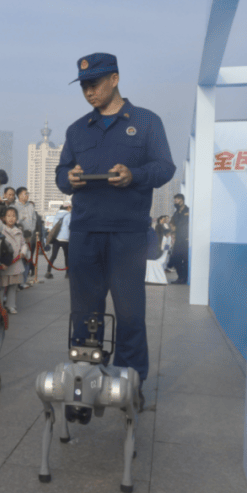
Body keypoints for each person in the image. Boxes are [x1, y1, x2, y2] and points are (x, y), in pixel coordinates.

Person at [56, 53, 175, 386]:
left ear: (115, 79)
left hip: (128, 234)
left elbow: (165, 167)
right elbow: (61, 174)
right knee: (83, 312)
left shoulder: (146, 121)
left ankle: (130, 382)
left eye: (94, 84)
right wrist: (71, 178)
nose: (89, 92)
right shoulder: (77, 129)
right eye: (83, 87)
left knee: (129, 313)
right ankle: (84, 378)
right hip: (85, 232)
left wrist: (133, 175)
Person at [0, 207, 25, 313]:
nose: (11, 218)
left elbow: (24, 244)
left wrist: (23, 252)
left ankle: (11, 305)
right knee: (2, 286)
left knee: (13, 286)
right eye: (8, 215)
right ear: (4, 218)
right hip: (5, 263)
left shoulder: (19, 231)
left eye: (14, 215)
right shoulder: (1, 230)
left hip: (16, 262)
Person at [13, 187, 38, 285]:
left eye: (28, 193)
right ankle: (17, 282)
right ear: (19, 195)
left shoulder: (30, 206)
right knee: (18, 258)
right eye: (25, 193)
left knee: (27, 258)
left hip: (28, 236)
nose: (27, 195)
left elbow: (34, 220)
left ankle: (23, 281)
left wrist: (31, 230)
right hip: (17, 236)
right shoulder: (14, 206)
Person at [45, 203, 71, 278]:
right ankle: (67, 273)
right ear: (68, 208)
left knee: (53, 256)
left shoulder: (57, 215)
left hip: (56, 239)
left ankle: (48, 271)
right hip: (65, 239)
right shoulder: (69, 215)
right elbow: (70, 226)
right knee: (67, 256)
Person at [169, 194, 190, 284]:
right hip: (178, 239)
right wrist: (173, 234)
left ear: (181, 200)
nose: (174, 202)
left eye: (176, 200)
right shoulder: (176, 213)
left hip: (186, 239)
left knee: (185, 260)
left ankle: (183, 279)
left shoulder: (188, 210)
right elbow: (172, 224)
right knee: (175, 258)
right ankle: (181, 277)